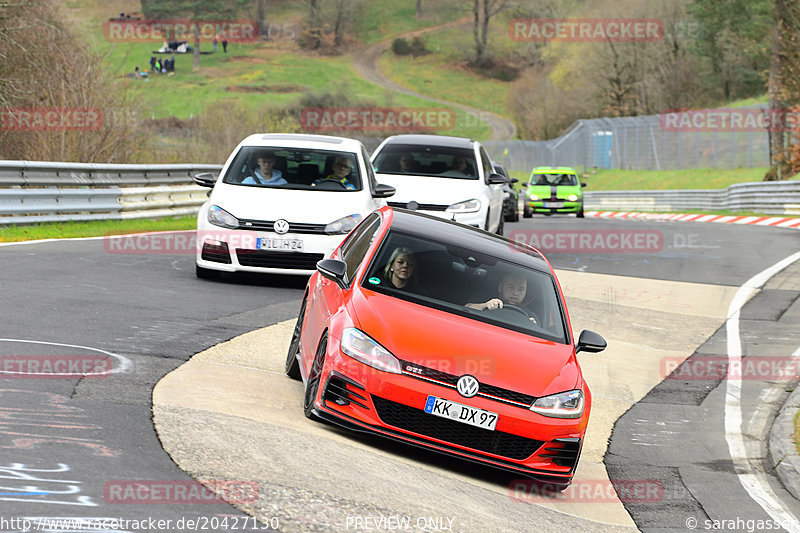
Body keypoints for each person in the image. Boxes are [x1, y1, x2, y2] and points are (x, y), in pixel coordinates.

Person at [465, 273, 539, 324]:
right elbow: (466, 308)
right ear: (500, 288)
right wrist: (484, 306)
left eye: (521, 289)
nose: (515, 293)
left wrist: (532, 325)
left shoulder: (529, 315)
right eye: (511, 287)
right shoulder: (487, 299)